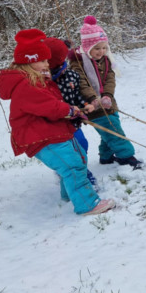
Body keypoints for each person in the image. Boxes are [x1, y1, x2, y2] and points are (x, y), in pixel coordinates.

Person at [0, 28, 115, 216]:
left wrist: (73, 109)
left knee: (78, 158)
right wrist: (68, 110)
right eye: (43, 60)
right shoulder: (26, 85)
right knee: (72, 165)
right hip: (40, 136)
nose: (47, 64)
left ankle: (70, 194)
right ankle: (87, 204)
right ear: (30, 61)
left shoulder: (37, 79)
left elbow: (53, 102)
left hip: (51, 130)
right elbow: (48, 106)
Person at [69, 16, 142, 169]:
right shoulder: (78, 63)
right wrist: (94, 98)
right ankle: (126, 156)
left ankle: (106, 156)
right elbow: (82, 83)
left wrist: (108, 95)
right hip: (92, 105)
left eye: (104, 47)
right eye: (97, 48)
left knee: (110, 126)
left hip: (109, 102)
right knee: (114, 130)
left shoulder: (106, 60)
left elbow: (110, 78)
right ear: (87, 48)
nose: (101, 51)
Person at [44, 37, 97, 185]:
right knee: (68, 152)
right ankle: (75, 173)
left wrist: (85, 104)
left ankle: (81, 169)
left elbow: (76, 97)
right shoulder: (41, 83)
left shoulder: (72, 76)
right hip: (55, 126)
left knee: (82, 145)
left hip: (73, 122)